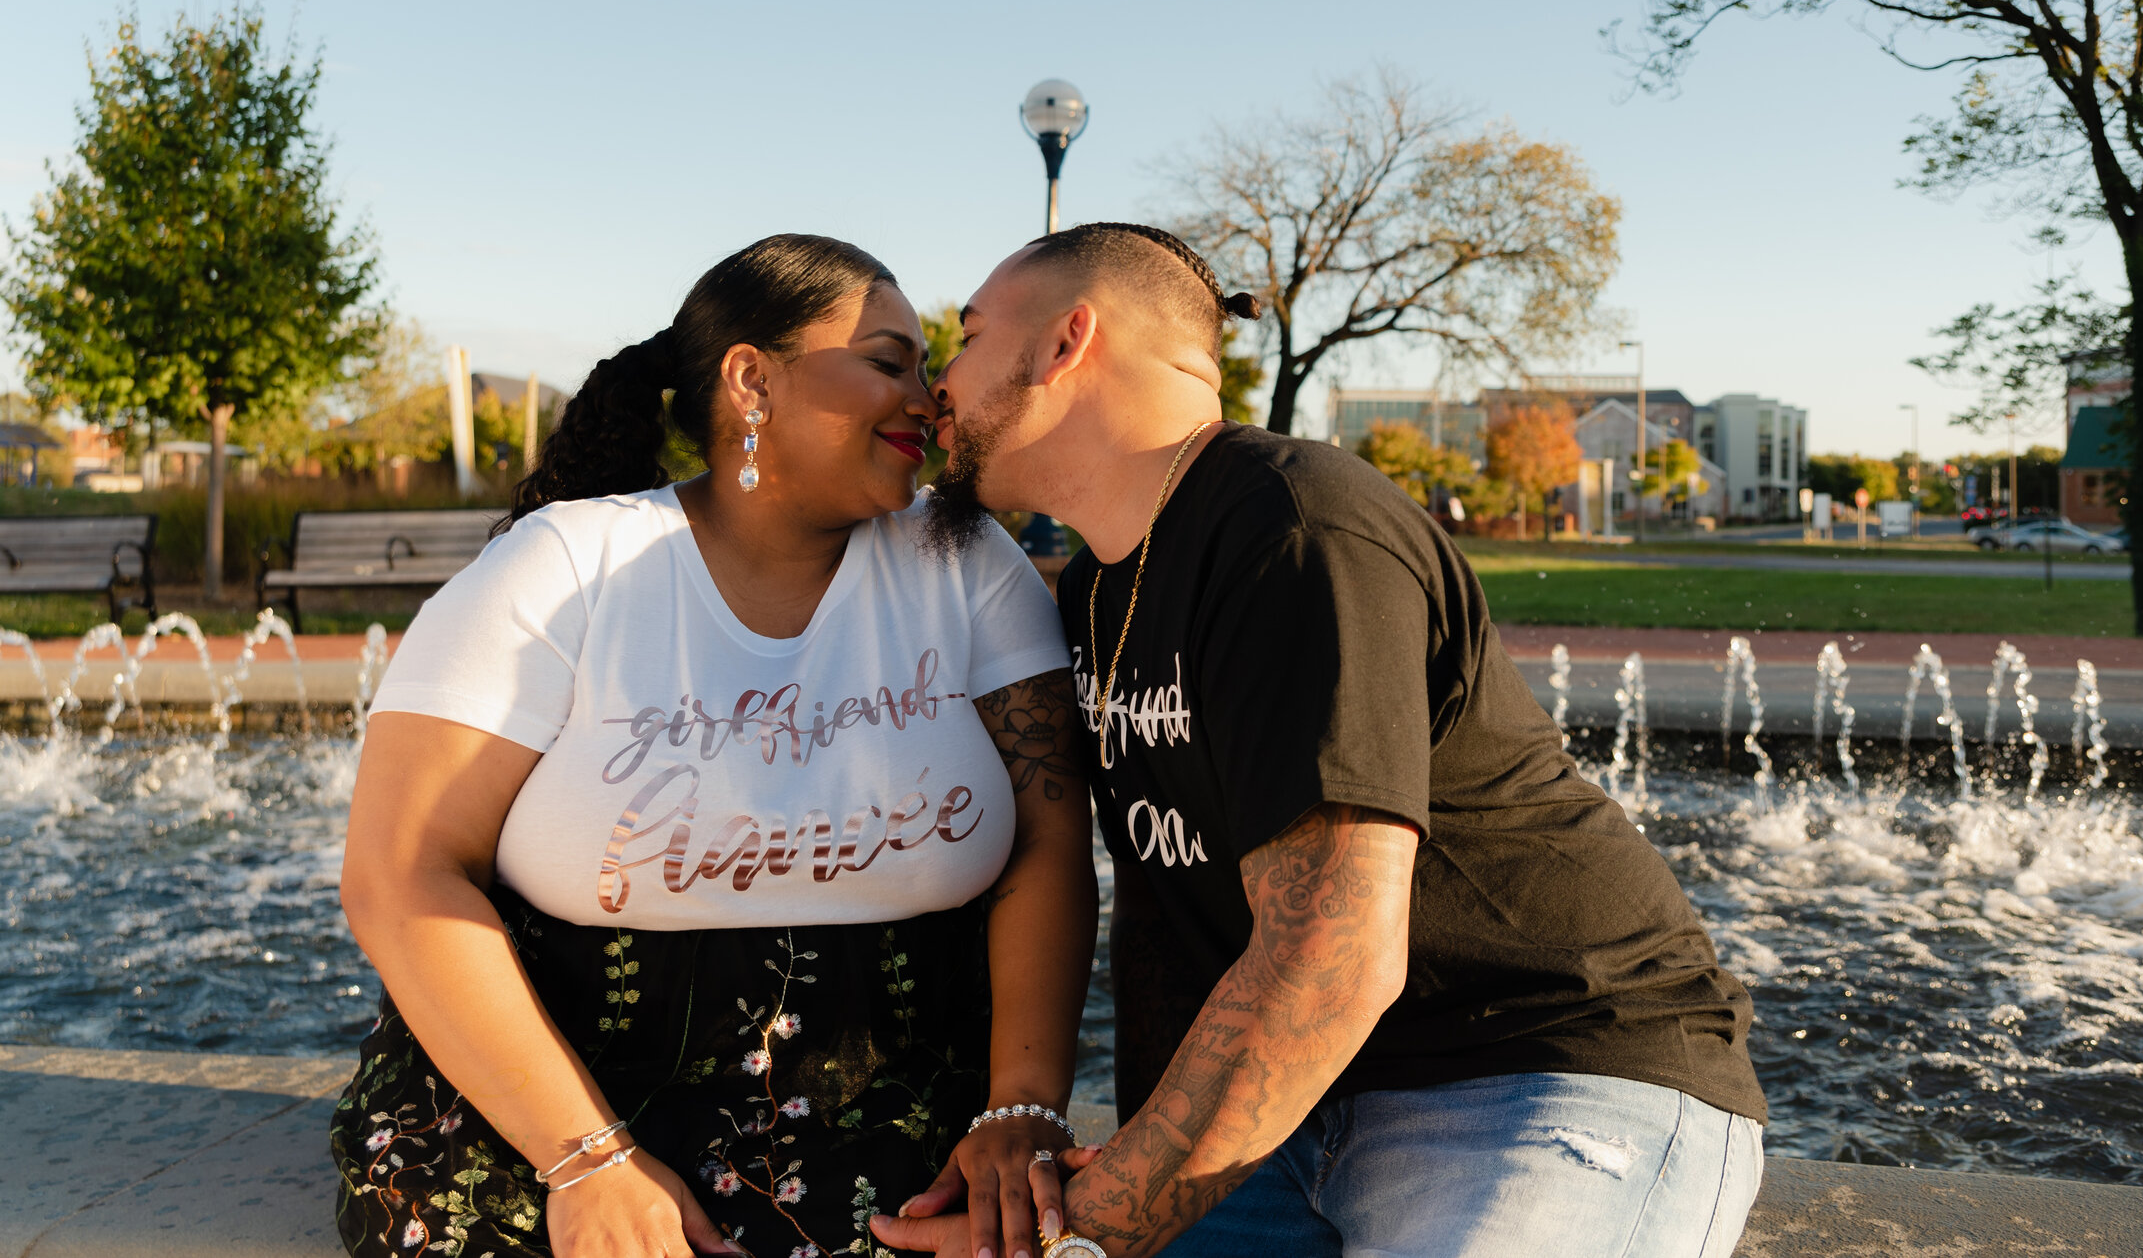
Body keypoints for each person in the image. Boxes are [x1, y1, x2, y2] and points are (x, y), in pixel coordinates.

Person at [880, 222, 1766, 1258]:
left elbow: (1332, 955)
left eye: (969, 338)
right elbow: (1169, 918)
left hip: (1540, 1069)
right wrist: (1100, 1190)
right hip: (1282, 1121)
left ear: (1068, 341)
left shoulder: (1295, 528)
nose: (937, 382)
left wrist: (1098, 1233)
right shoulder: (1096, 587)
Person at [333, 234, 1095, 1258]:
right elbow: (402, 870)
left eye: (926, 365)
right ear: (751, 379)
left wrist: (1022, 1106)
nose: (929, 398)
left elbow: (1050, 839)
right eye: (888, 361)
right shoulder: (566, 565)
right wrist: (587, 1161)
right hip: (554, 1107)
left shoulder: (966, 562)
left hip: (909, 1123)